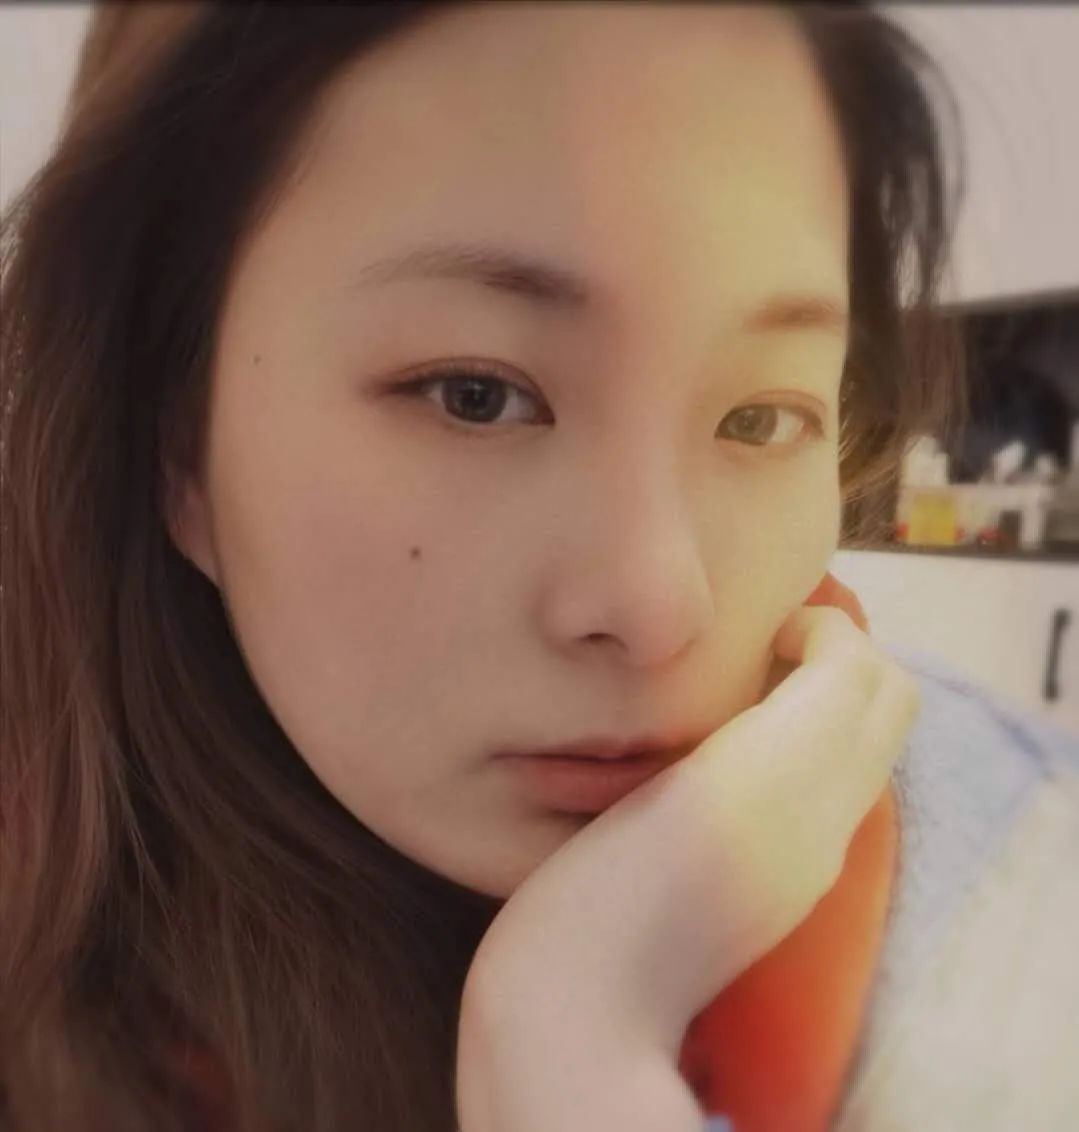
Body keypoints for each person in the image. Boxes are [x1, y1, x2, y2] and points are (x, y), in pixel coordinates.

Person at [2, 4, 1077, 1132]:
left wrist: (571, 1047)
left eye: (760, 416)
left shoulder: (1017, 940)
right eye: (476, 395)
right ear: (178, 449)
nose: (658, 606)